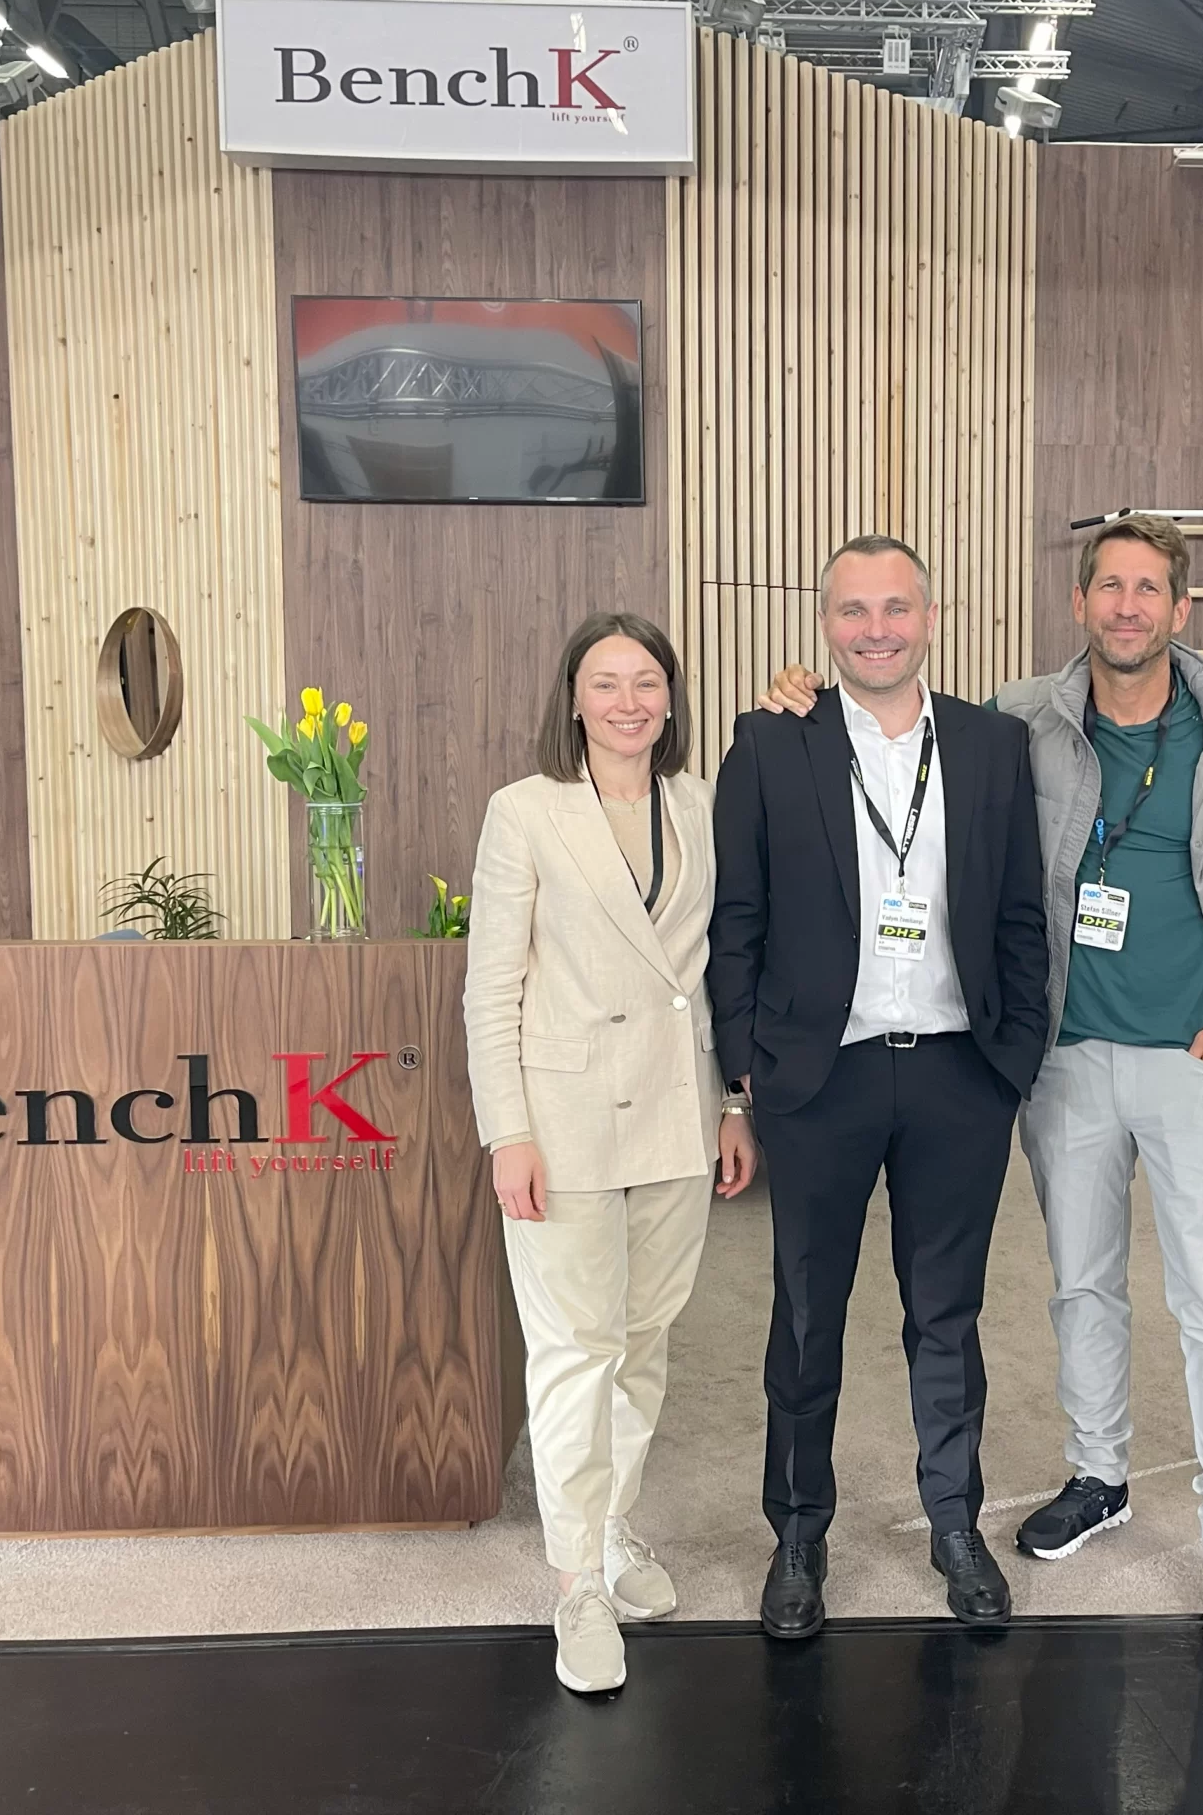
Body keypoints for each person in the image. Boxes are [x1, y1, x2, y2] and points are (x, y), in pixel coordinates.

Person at [758, 510, 1203, 1649]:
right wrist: (798, 694)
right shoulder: (1023, 723)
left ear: (1181, 607)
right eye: (1109, 585)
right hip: (1064, 1059)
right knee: (1080, 1288)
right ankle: (1098, 1477)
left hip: (1195, 1056)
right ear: (1078, 601)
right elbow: (893, 725)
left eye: (1148, 588)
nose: (1126, 606)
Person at [708, 534, 1051, 1639]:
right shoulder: (771, 742)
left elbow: (1021, 912)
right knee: (808, 1318)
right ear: (825, 625)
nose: (875, 630)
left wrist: (1013, 1060)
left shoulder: (994, 744)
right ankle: (798, 1535)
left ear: (931, 618)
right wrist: (740, 1078)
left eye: (895, 607)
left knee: (945, 1315)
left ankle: (954, 1525)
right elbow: (737, 922)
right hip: (821, 1077)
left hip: (959, 1073)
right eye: (852, 610)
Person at [463, 612, 760, 1696]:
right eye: (606, 682)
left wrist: (732, 1102)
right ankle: (576, 1579)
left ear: (671, 698)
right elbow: (491, 986)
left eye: (646, 681)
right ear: (574, 700)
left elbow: (720, 967)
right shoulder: (525, 811)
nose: (628, 701)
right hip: (566, 1119)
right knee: (573, 1350)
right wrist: (508, 1130)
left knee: (641, 1342)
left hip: (677, 1111)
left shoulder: (700, 806)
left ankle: (614, 1521)